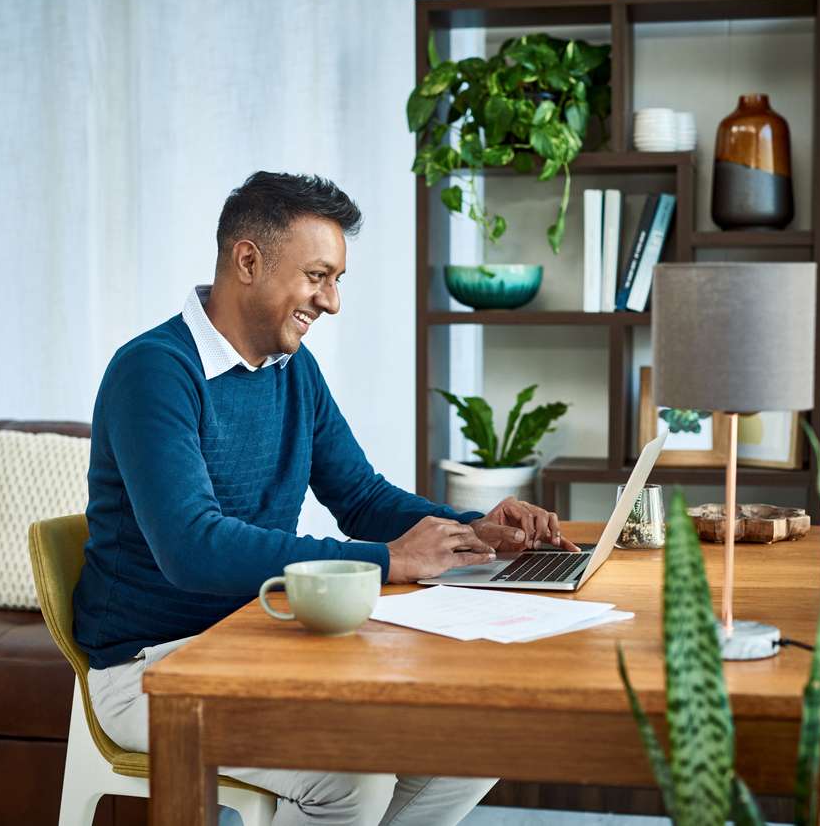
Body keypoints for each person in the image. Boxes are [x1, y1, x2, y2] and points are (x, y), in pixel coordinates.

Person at [73, 171, 577, 826]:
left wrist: (473, 528)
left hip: (260, 639)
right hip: (154, 668)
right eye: (318, 276)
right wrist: (386, 560)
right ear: (247, 261)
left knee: (473, 735)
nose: (332, 302)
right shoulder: (154, 371)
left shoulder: (293, 370)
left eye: (336, 280)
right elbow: (192, 547)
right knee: (350, 777)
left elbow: (360, 496)